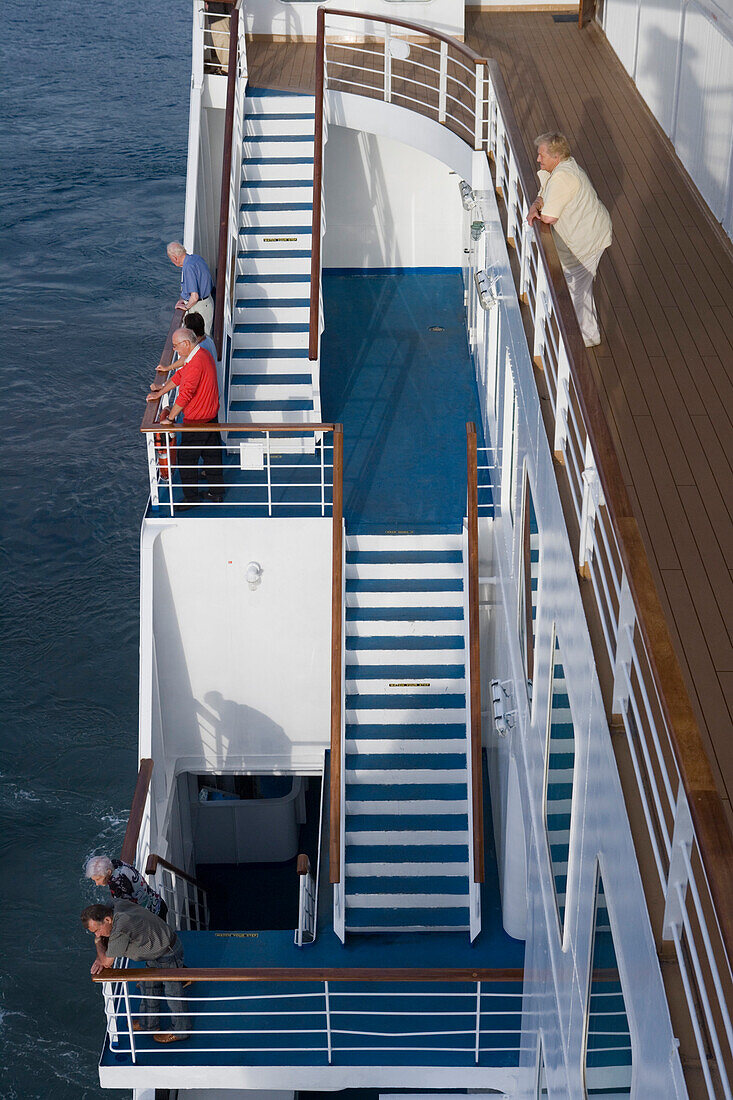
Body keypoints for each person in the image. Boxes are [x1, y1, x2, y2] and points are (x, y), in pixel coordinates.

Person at [526, 132, 612, 348]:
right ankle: (588, 335)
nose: (538, 159)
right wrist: (536, 204)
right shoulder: (561, 169)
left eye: (541, 155)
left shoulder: (563, 177)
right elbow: (542, 196)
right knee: (579, 288)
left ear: (555, 156)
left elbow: (548, 216)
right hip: (583, 238)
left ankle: (577, 341)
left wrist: (537, 208)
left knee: (577, 290)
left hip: (587, 241)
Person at [82, 902, 191, 1043]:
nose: (97, 934)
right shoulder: (118, 907)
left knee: (173, 994)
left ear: (107, 920)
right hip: (154, 951)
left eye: (97, 930)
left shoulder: (120, 929)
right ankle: (149, 1025)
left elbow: (107, 963)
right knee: (148, 987)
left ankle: (182, 1031)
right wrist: (102, 947)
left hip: (168, 954)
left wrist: (98, 941)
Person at [147, 326, 224, 508]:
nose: (174, 349)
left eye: (175, 346)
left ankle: (192, 498)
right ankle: (216, 493)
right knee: (212, 456)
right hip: (211, 418)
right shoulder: (201, 355)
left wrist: (171, 418)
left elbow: (185, 393)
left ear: (186, 344)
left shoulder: (195, 362)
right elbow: (179, 376)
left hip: (196, 422)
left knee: (186, 459)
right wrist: (160, 392)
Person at [85, 855, 168, 922]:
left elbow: (121, 908)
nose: (97, 883)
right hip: (157, 901)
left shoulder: (117, 883)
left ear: (109, 872)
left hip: (154, 916)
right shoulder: (116, 863)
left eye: (98, 879)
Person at [167, 241, 215, 334]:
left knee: (201, 337)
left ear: (175, 258)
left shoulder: (188, 267)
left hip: (199, 307)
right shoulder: (196, 258)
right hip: (208, 301)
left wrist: (185, 306)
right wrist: (185, 298)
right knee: (206, 335)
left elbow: (194, 297)